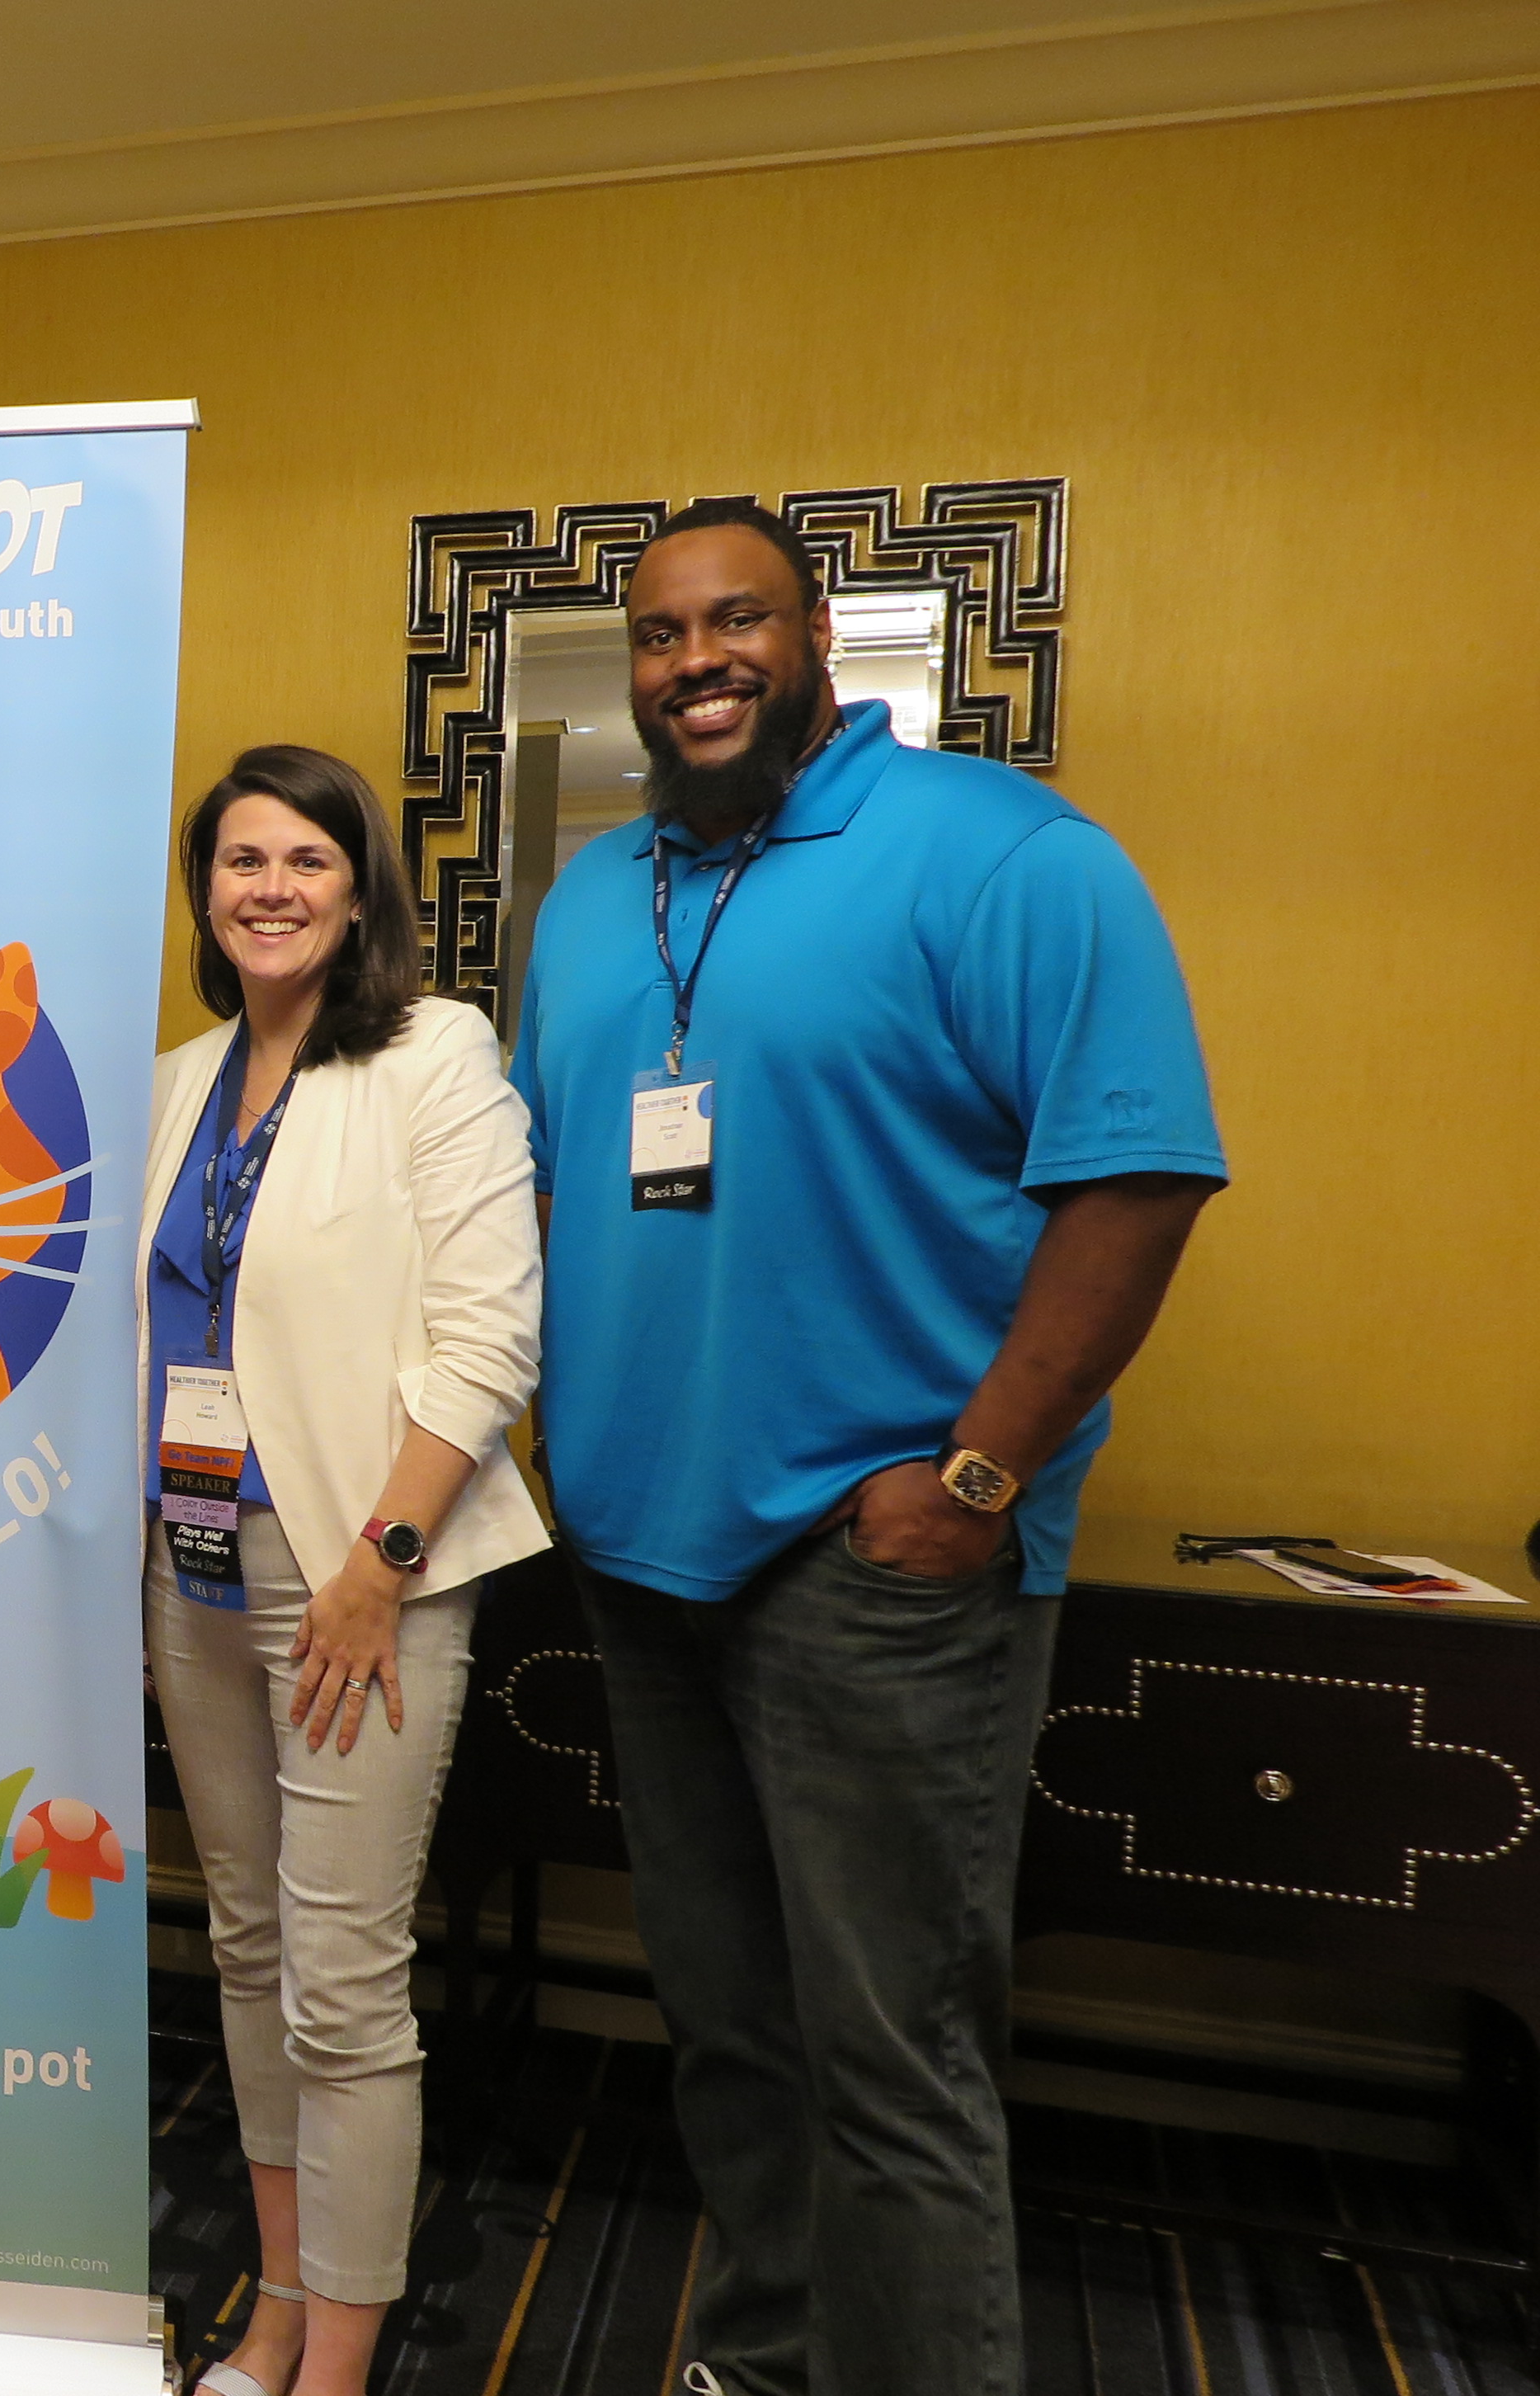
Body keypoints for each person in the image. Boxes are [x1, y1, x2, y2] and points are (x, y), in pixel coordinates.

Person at [509, 500, 1223, 2396]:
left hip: (873, 1562)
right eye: (658, 638)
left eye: (734, 621)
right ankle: (762, 2361)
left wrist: (975, 1478)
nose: (694, 664)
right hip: (641, 1556)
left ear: (819, 635)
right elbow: (533, 1190)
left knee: (888, 2056)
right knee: (731, 2032)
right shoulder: (593, 899)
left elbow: (1138, 1182)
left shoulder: (1007, 860)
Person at [144, 746, 555, 2396]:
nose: (268, 887)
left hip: (358, 1565)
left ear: (359, 886)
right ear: (206, 892)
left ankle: (342, 2359)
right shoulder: (184, 1077)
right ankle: (275, 2302)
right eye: (239, 860)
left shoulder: (433, 1056)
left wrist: (384, 1557)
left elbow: (490, 1336)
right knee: (242, 1951)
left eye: (304, 859)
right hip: (197, 1559)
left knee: (340, 1980)